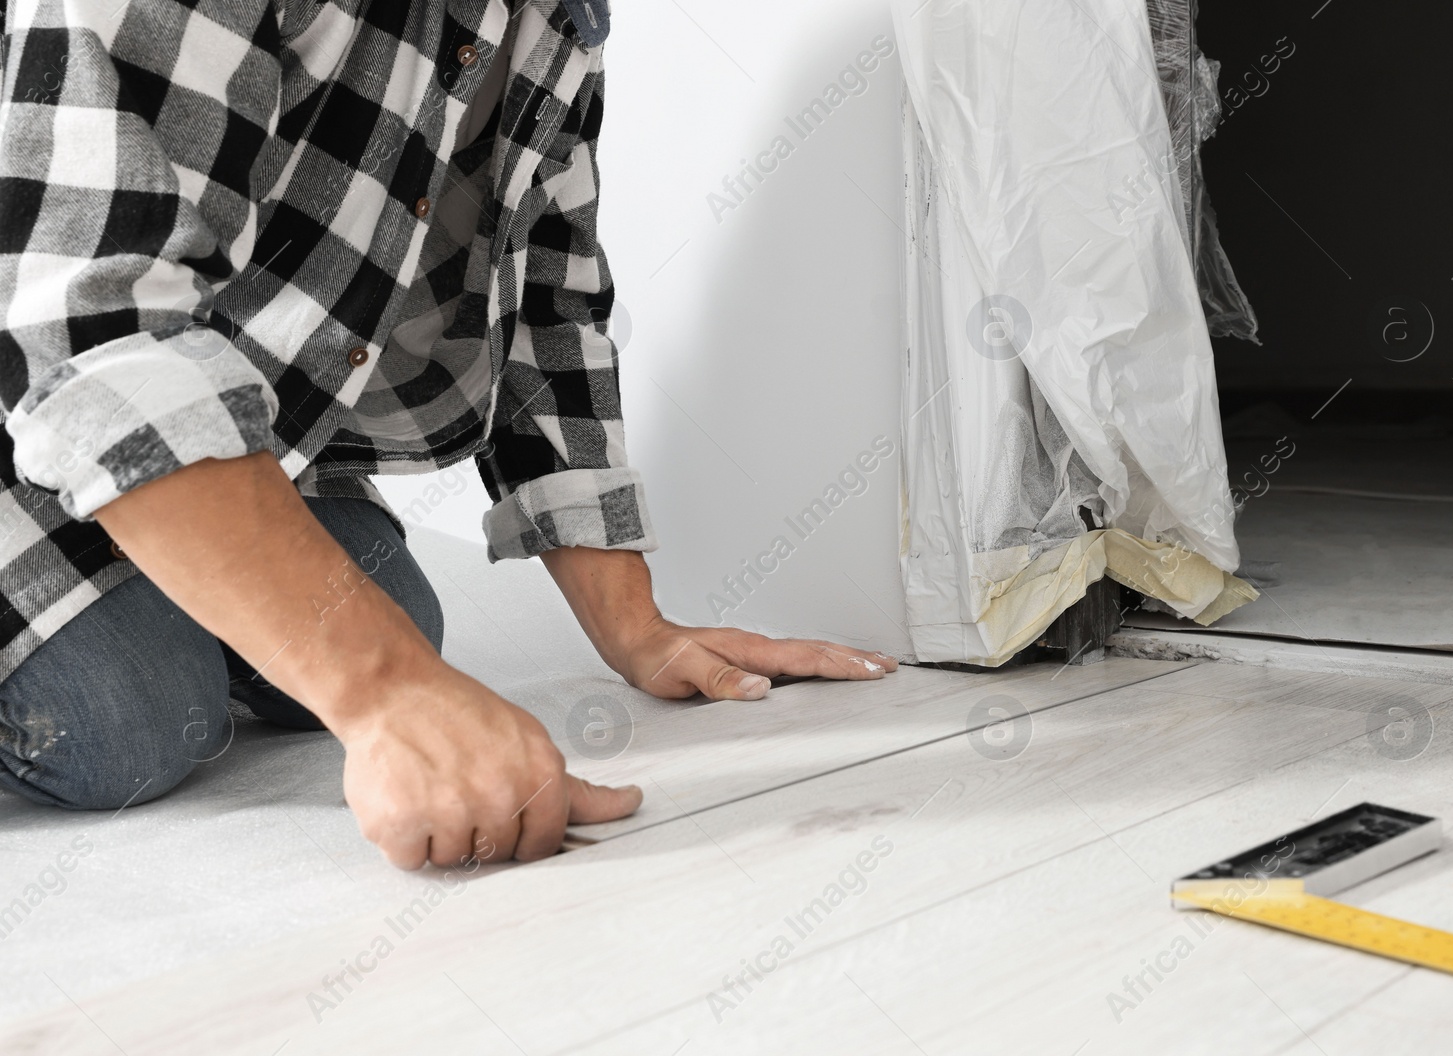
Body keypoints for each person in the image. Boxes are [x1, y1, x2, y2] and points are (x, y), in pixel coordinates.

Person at [0, 0, 897, 869]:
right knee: (120, 720)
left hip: (198, 396)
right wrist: (381, 691)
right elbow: (90, 321)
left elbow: (542, 288)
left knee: (393, 619)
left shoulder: (549, 16)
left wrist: (636, 625)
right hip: (35, 352)